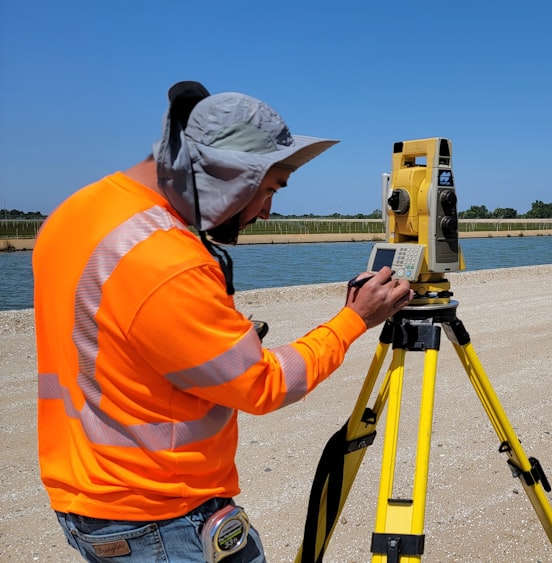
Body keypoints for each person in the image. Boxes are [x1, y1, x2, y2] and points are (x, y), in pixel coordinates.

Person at [32, 81, 412, 562]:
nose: (268, 212)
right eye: (269, 188)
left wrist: (204, 341)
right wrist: (354, 319)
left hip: (90, 497)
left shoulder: (77, 212)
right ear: (229, 174)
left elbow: (111, 336)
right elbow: (262, 385)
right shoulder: (169, 260)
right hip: (162, 515)